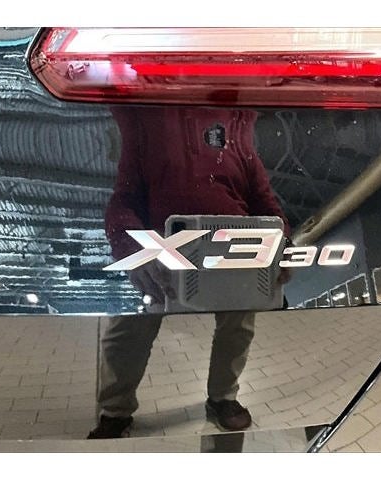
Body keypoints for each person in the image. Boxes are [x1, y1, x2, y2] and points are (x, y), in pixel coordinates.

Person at [88, 106, 290, 438]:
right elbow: (124, 200)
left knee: (239, 323)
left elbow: (265, 202)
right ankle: (115, 410)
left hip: (232, 246)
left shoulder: (238, 135)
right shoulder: (145, 125)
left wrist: (282, 246)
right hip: (164, 246)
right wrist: (132, 248)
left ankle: (223, 398)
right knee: (129, 326)